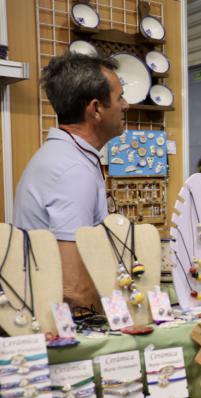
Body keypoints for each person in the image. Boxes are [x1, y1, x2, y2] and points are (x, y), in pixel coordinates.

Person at [13, 53, 128, 310]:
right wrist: (124, 315)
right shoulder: (72, 169)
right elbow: (73, 287)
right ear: (96, 109)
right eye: (120, 97)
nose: (126, 105)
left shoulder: (66, 156)